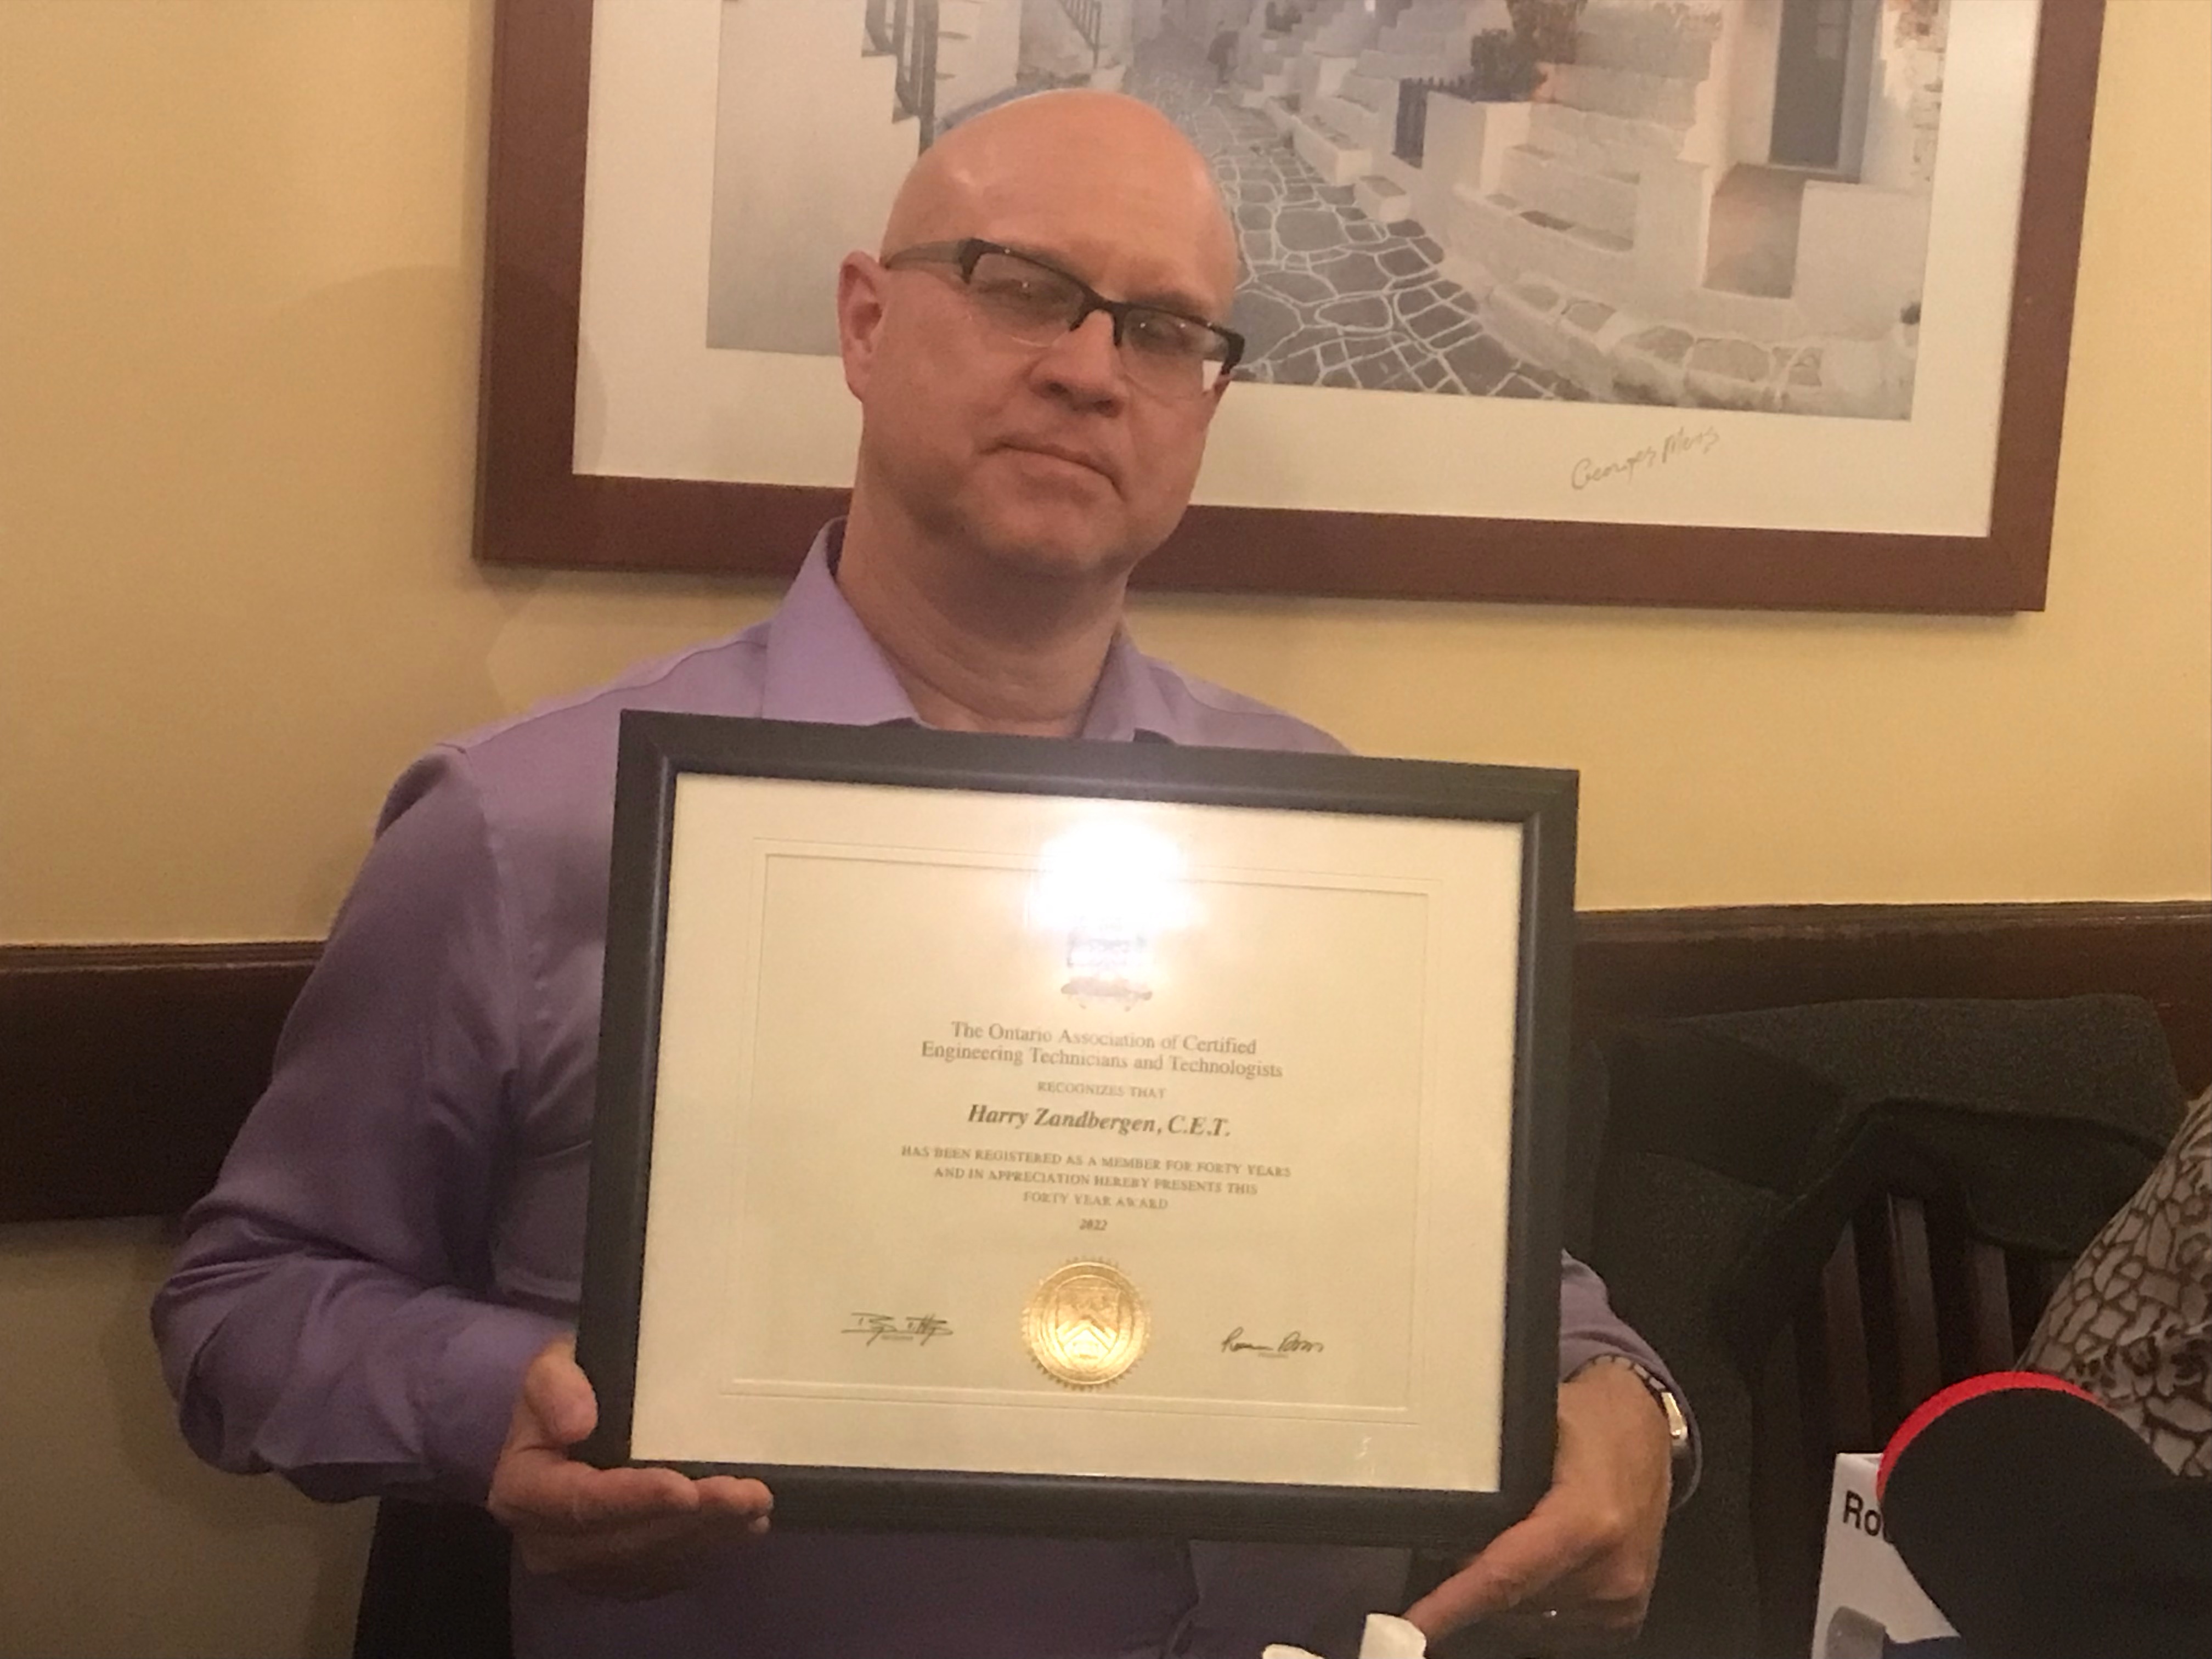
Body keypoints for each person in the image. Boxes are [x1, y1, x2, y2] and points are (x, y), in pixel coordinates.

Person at [154, 92, 1689, 1658]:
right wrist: (503, 1408)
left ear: (1204, 406)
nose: (1090, 369)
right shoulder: (520, 826)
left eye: (1163, 330)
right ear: (867, 322)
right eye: (1022, 286)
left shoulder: (1341, 842)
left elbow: (1452, 1239)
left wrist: (1619, 1385)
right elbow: (248, 1301)